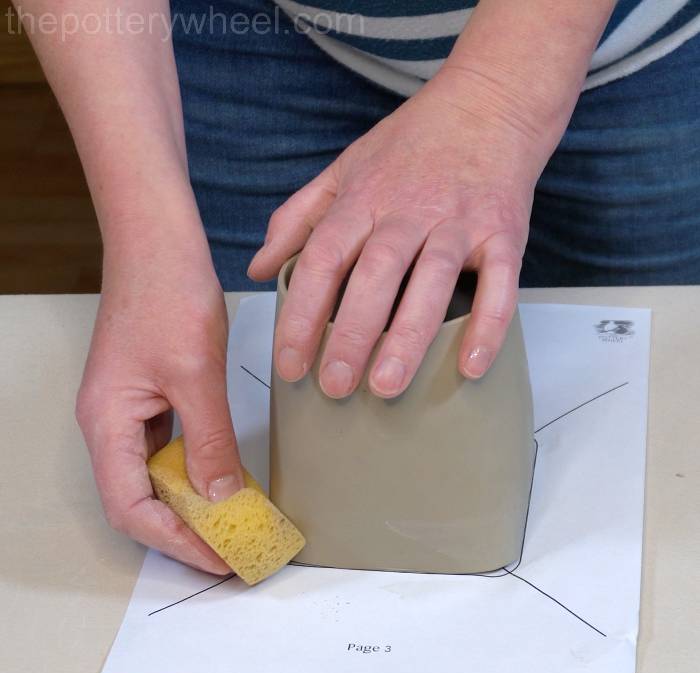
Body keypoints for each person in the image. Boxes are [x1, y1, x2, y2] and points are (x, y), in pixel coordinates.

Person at [17, 1, 699, 574]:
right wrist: (146, 241)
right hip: (260, 37)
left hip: (619, 47)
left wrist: (498, 101)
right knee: (251, 351)